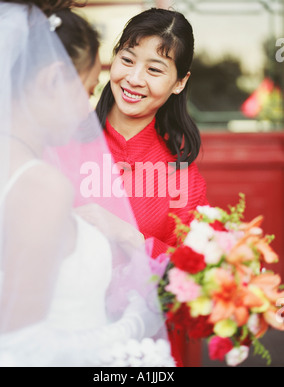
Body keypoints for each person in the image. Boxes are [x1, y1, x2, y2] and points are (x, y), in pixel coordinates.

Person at [0, 1, 174, 367]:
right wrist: (136, 324)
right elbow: (23, 349)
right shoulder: (41, 187)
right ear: (53, 79)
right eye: (87, 91)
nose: (88, 110)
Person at [86, 8, 208, 367]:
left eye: (154, 69)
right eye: (127, 59)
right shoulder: (64, 145)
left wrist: (131, 238)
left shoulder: (182, 173)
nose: (134, 78)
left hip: (146, 349)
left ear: (180, 82)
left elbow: (194, 277)